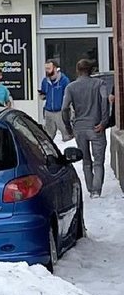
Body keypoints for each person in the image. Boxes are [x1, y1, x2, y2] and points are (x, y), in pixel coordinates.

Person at [64, 58, 112, 197]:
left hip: (79, 127)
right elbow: (104, 100)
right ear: (91, 70)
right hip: (96, 125)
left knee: (86, 161)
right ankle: (96, 190)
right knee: (98, 161)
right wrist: (104, 121)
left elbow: (64, 108)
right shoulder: (99, 84)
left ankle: (90, 188)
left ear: (77, 71)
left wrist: (68, 127)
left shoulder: (70, 87)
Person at [40, 59, 72, 139]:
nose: (47, 71)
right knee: (48, 137)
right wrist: (42, 95)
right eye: (46, 69)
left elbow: (68, 96)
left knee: (67, 135)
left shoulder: (64, 80)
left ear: (55, 68)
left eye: (49, 68)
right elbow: (44, 94)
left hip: (60, 111)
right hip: (48, 111)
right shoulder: (45, 81)